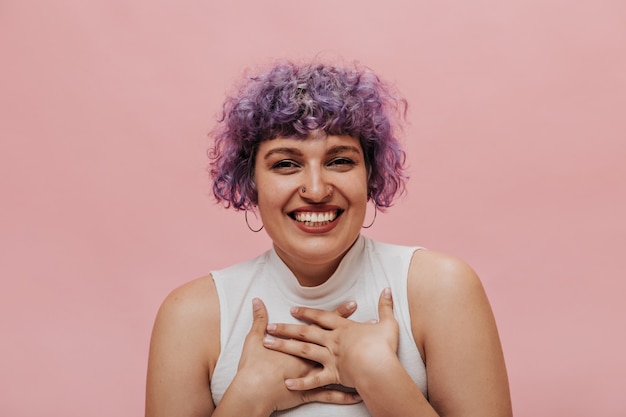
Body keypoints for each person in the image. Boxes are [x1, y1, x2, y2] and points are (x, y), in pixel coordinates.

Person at [145, 60, 513, 417]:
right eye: (286, 163)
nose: (317, 190)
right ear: (250, 182)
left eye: (339, 160)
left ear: (371, 175)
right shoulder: (190, 316)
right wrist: (249, 395)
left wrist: (379, 375)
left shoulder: (442, 288)